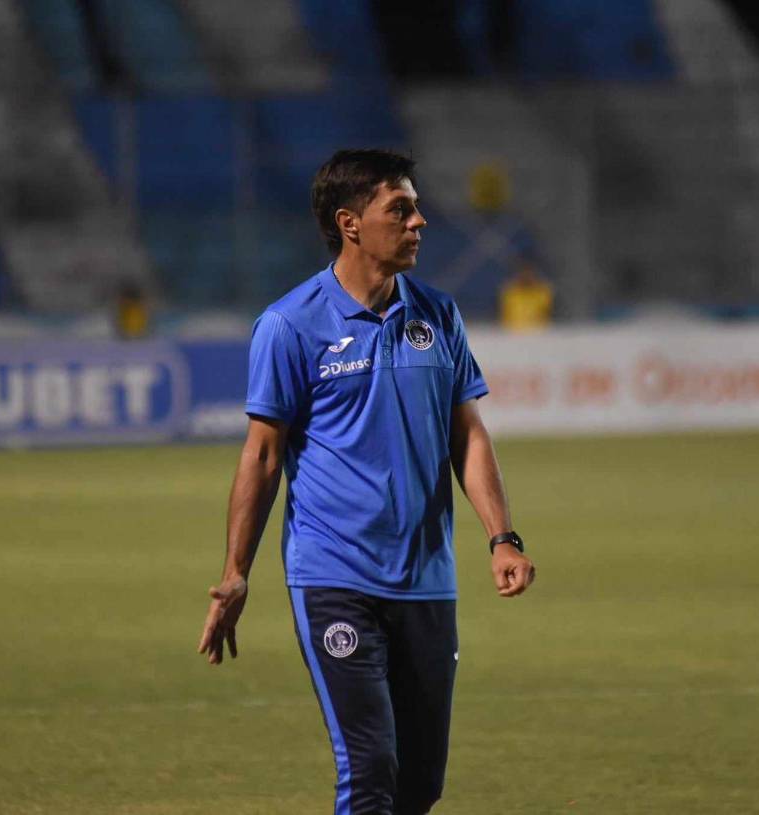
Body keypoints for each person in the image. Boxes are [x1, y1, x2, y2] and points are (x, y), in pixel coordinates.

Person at [197, 148, 536, 814]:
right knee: (371, 768)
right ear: (351, 223)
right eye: (401, 208)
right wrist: (236, 571)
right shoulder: (290, 325)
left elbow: (466, 433)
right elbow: (263, 456)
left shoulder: (437, 315)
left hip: (426, 579)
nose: (420, 222)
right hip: (335, 578)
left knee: (420, 785)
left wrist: (503, 536)